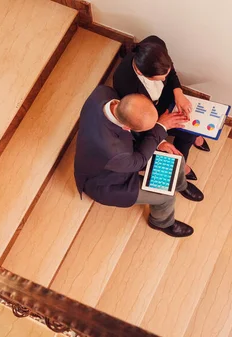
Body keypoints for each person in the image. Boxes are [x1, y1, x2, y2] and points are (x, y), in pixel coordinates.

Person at [74, 85, 204, 237]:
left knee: (174, 158)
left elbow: (135, 127)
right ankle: (161, 222)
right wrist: (160, 129)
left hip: (123, 156)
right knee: (165, 196)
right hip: (107, 182)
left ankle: (180, 184)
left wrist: (160, 141)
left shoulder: (103, 93)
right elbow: (138, 162)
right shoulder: (114, 151)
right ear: (127, 128)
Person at [113, 35, 210, 181]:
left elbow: (170, 73)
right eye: (159, 78)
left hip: (164, 102)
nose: (165, 79)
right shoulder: (125, 84)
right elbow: (136, 121)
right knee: (183, 133)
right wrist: (160, 129)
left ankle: (189, 142)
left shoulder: (156, 44)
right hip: (147, 117)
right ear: (140, 73)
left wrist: (178, 92)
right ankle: (180, 166)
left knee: (189, 128)